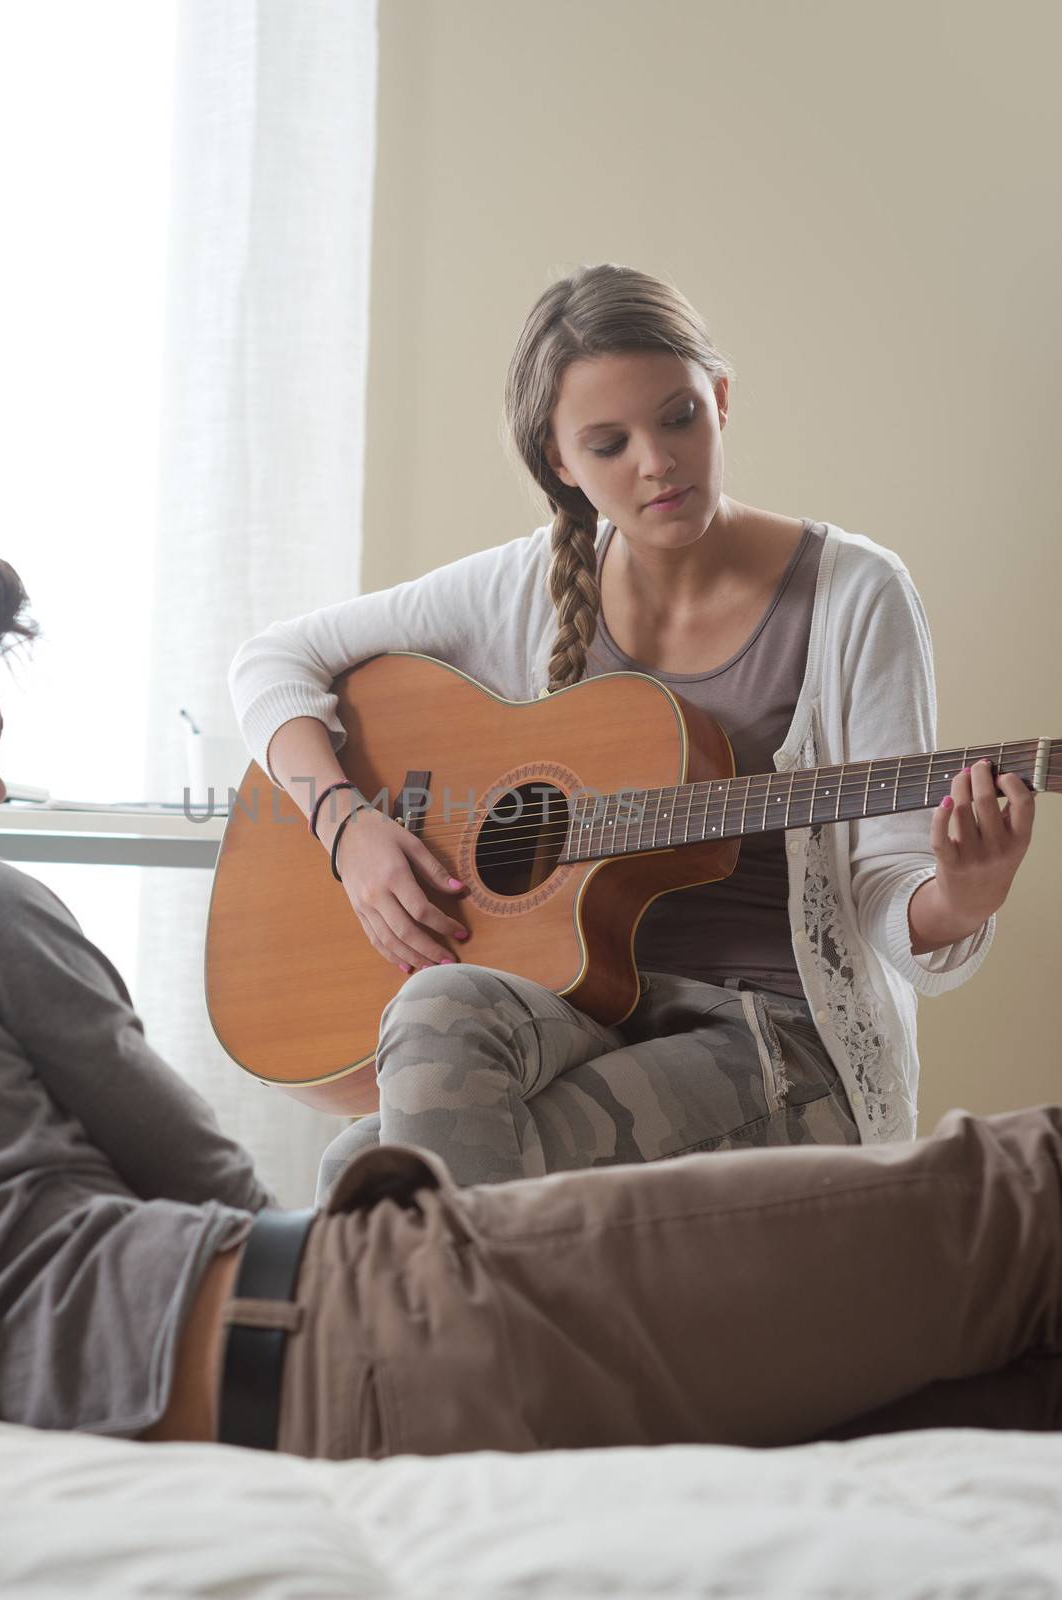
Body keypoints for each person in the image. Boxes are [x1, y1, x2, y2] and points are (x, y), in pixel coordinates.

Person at [0, 533, 1058, 1462]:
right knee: (1009, 1200)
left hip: (307, 1352)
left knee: (944, 1364)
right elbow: (203, 1183)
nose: (0, 795)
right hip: (342, 1331)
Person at [228, 264, 1035, 1196]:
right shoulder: (528, 584)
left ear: (720, 399)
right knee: (434, 1004)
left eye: (678, 418)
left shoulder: (854, 593)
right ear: (559, 462)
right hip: (583, 1009)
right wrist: (348, 831)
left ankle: (436, 1336)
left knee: (368, 1170)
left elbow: (889, 892)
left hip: (773, 1039)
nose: (656, 462)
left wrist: (962, 896)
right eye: (608, 443)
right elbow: (272, 664)